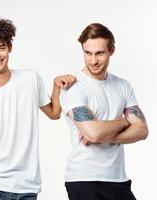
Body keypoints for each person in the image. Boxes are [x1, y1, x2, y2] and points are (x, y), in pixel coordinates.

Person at [0, 18, 76, 200]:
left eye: (1, 47)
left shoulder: (30, 79)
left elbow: (54, 113)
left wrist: (56, 86)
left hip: (26, 187)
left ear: (10, 47)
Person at [60, 23, 149, 200]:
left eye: (99, 53)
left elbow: (142, 130)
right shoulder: (73, 87)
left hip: (118, 178)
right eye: (88, 53)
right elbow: (93, 134)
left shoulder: (123, 86)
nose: (93, 61)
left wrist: (105, 135)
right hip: (84, 180)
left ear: (111, 51)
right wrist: (123, 122)